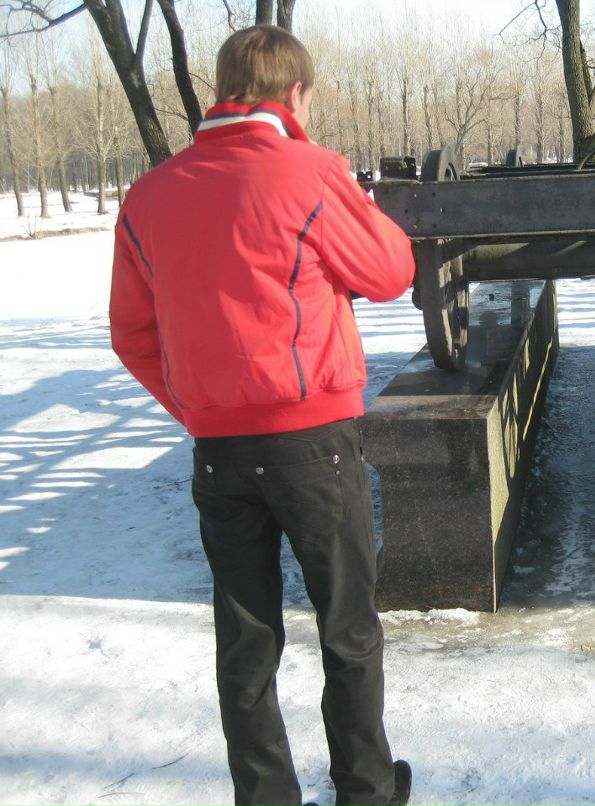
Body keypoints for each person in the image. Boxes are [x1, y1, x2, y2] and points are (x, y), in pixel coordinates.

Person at [109, 25, 414, 806]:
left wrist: (197, 408)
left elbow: (132, 332)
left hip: (219, 450)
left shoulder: (149, 197)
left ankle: (267, 797)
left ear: (219, 91)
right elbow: (390, 271)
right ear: (296, 94)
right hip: (315, 443)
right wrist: (350, 190)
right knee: (348, 630)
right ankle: (368, 791)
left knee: (245, 641)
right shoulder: (310, 171)